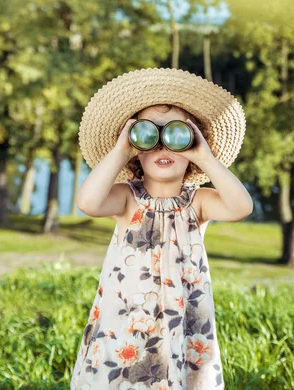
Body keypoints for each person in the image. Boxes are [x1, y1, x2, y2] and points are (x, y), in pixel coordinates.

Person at [71, 67, 252, 389]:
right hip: (126, 326)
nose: (162, 145)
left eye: (177, 134)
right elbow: (88, 202)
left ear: (193, 145)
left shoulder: (198, 202)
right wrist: (121, 149)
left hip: (180, 327)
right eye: (148, 134)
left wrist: (207, 158)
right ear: (135, 151)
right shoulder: (127, 199)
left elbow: (242, 208)